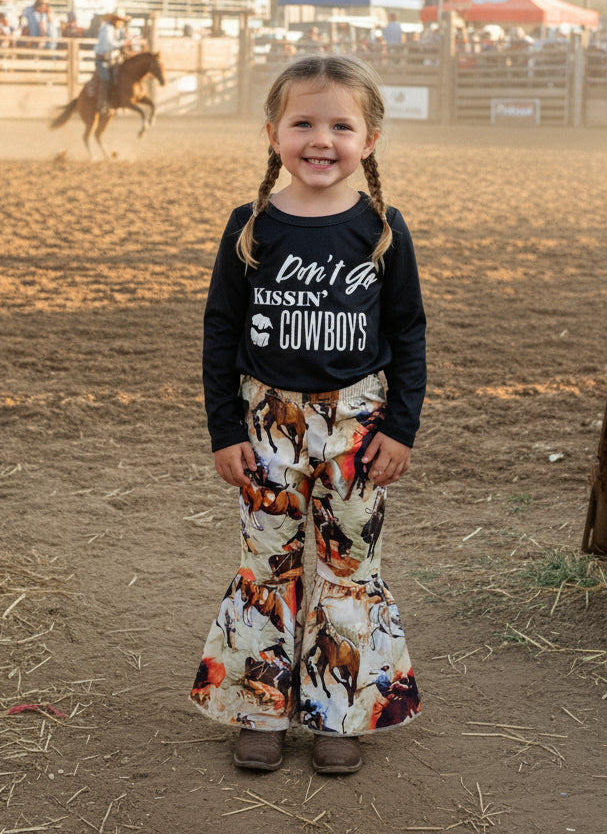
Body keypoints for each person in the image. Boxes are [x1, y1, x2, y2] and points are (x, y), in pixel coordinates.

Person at [191, 53, 426, 776]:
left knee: (352, 570)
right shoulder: (250, 226)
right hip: (267, 424)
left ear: (370, 139)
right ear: (272, 133)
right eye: (302, 122)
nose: (320, 139)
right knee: (268, 565)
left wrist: (401, 427)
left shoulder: (381, 229)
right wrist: (226, 430)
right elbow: (220, 334)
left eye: (340, 125)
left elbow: (410, 331)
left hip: (358, 424)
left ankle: (340, 713)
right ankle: (260, 707)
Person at [94, 9, 130, 112]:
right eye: (119, 20)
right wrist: (124, 43)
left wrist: (125, 38)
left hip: (112, 58)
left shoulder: (117, 29)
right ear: (114, 20)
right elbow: (110, 44)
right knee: (106, 78)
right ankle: (103, 103)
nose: (121, 23)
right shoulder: (107, 29)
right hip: (102, 59)